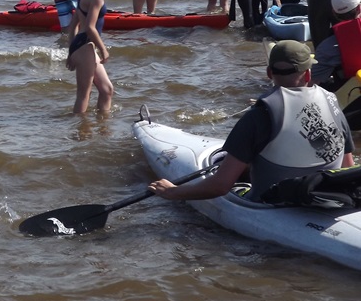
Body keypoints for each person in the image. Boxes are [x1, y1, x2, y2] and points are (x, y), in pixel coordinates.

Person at [149, 40, 354, 203]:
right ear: (308, 73)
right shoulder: (331, 101)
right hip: (328, 196)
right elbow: (347, 165)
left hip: (274, 203)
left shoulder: (259, 115)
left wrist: (173, 192)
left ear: (269, 73)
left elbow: (220, 186)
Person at [66, 0, 114, 114]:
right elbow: (91, 27)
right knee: (84, 95)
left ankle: (102, 128)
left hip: (83, 46)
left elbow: (73, 25)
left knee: (107, 90)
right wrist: (103, 50)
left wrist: (70, 51)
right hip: (86, 47)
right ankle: (80, 134)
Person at [311, 0, 361, 90]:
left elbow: (313, 82)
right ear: (359, 8)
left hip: (351, 95)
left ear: (334, 13)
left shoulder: (327, 48)